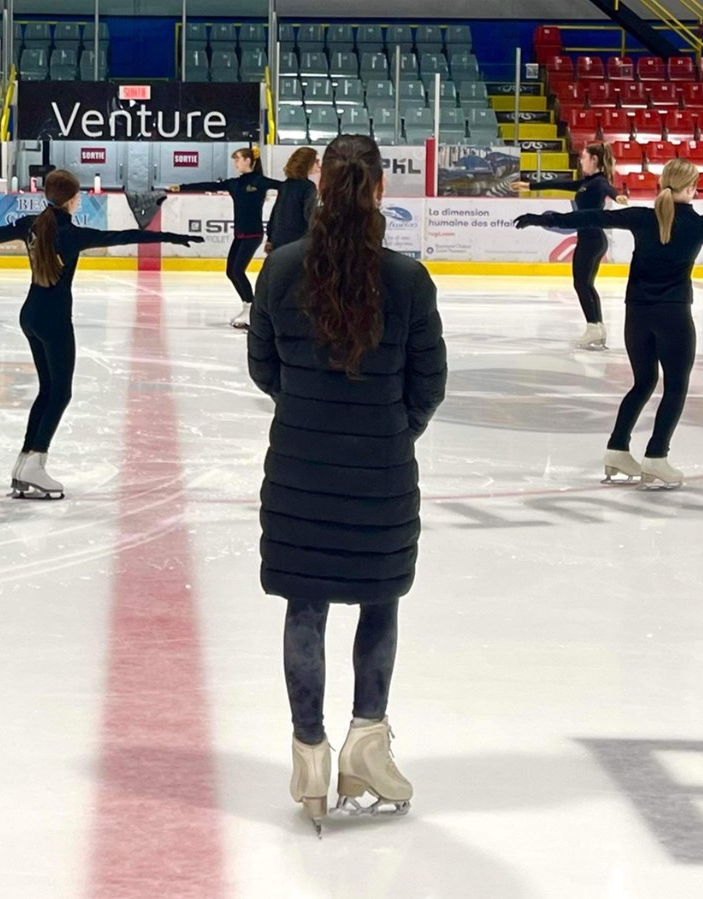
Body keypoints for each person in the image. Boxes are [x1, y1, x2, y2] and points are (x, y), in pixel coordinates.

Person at [247, 134, 447, 835]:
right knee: (379, 599)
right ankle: (366, 740)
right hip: (381, 473)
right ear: (380, 189)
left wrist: (307, 412)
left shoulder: (279, 271)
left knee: (305, 605)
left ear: (322, 187)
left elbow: (264, 370)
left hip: (299, 466)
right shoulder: (408, 278)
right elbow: (430, 383)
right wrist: (392, 432)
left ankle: (310, 752)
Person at [0, 170, 203, 499]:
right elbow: (123, 237)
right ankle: (35, 463)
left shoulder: (30, 225)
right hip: (54, 321)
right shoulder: (72, 234)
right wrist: (171, 238)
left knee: (48, 391)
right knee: (60, 393)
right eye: (78, 196)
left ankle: (25, 462)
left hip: (31, 315)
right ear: (72, 199)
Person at [514, 158, 703, 489]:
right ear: (692, 188)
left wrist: (543, 218)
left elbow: (592, 216)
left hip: (637, 316)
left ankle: (617, 449)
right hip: (673, 315)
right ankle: (656, 457)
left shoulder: (642, 218)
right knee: (675, 386)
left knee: (643, 382)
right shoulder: (701, 226)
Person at [510, 142, 628, 350]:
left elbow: (609, 189)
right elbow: (560, 184)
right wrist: (530, 186)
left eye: (584, 157)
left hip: (591, 240)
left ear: (594, 160)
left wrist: (617, 196)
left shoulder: (598, 183)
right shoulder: (586, 183)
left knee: (581, 284)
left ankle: (593, 326)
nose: (580, 160)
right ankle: (598, 327)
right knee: (586, 284)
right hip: (593, 239)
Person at [165, 147, 281, 329]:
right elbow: (211, 185)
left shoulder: (260, 181)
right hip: (240, 234)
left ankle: (251, 308)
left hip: (253, 234)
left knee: (237, 271)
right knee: (231, 271)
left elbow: (284, 187)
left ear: (249, 161)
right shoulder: (234, 184)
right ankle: (247, 305)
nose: (235, 163)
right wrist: (182, 187)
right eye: (234, 160)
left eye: (238, 159)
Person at [266, 147, 319, 253]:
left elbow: (275, 213)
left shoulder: (286, 185)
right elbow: (310, 214)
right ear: (308, 163)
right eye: (316, 161)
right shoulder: (308, 187)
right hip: (298, 243)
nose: (319, 164)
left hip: (278, 241)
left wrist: (270, 238)